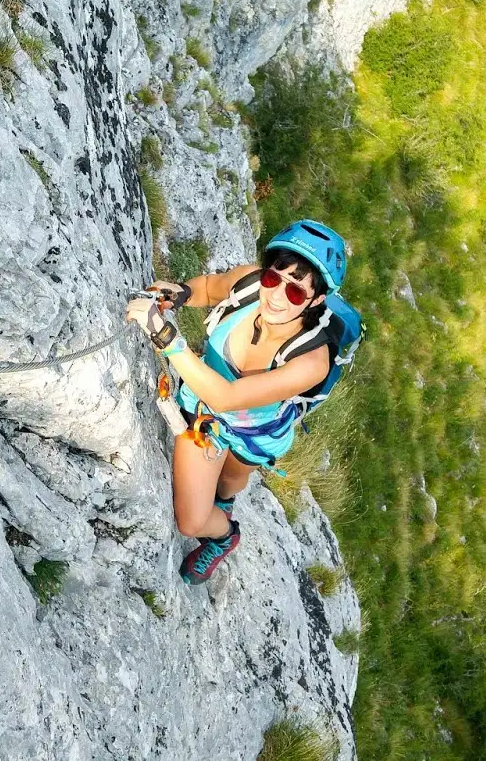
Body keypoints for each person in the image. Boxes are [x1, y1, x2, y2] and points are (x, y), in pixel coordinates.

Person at [124, 221, 349, 584]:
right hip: (206, 417)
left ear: (316, 300)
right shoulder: (251, 283)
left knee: (231, 480)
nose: (275, 296)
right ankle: (223, 534)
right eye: (274, 279)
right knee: (192, 521)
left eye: (295, 293)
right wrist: (180, 292)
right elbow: (212, 288)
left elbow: (226, 397)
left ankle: (224, 513)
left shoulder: (311, 361)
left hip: (258, 430)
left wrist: (165, 336)